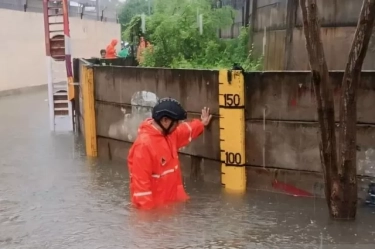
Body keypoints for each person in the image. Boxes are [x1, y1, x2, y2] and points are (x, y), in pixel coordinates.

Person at [127, 97, 212, 210]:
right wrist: (149, 225)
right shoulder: (143, 146)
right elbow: (141, 193)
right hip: (156, 216)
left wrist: (202, 124)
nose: (178, 125)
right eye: (176, 122)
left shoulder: (170, 135)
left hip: (172, 209)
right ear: (165, 120)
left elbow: (186, 130)